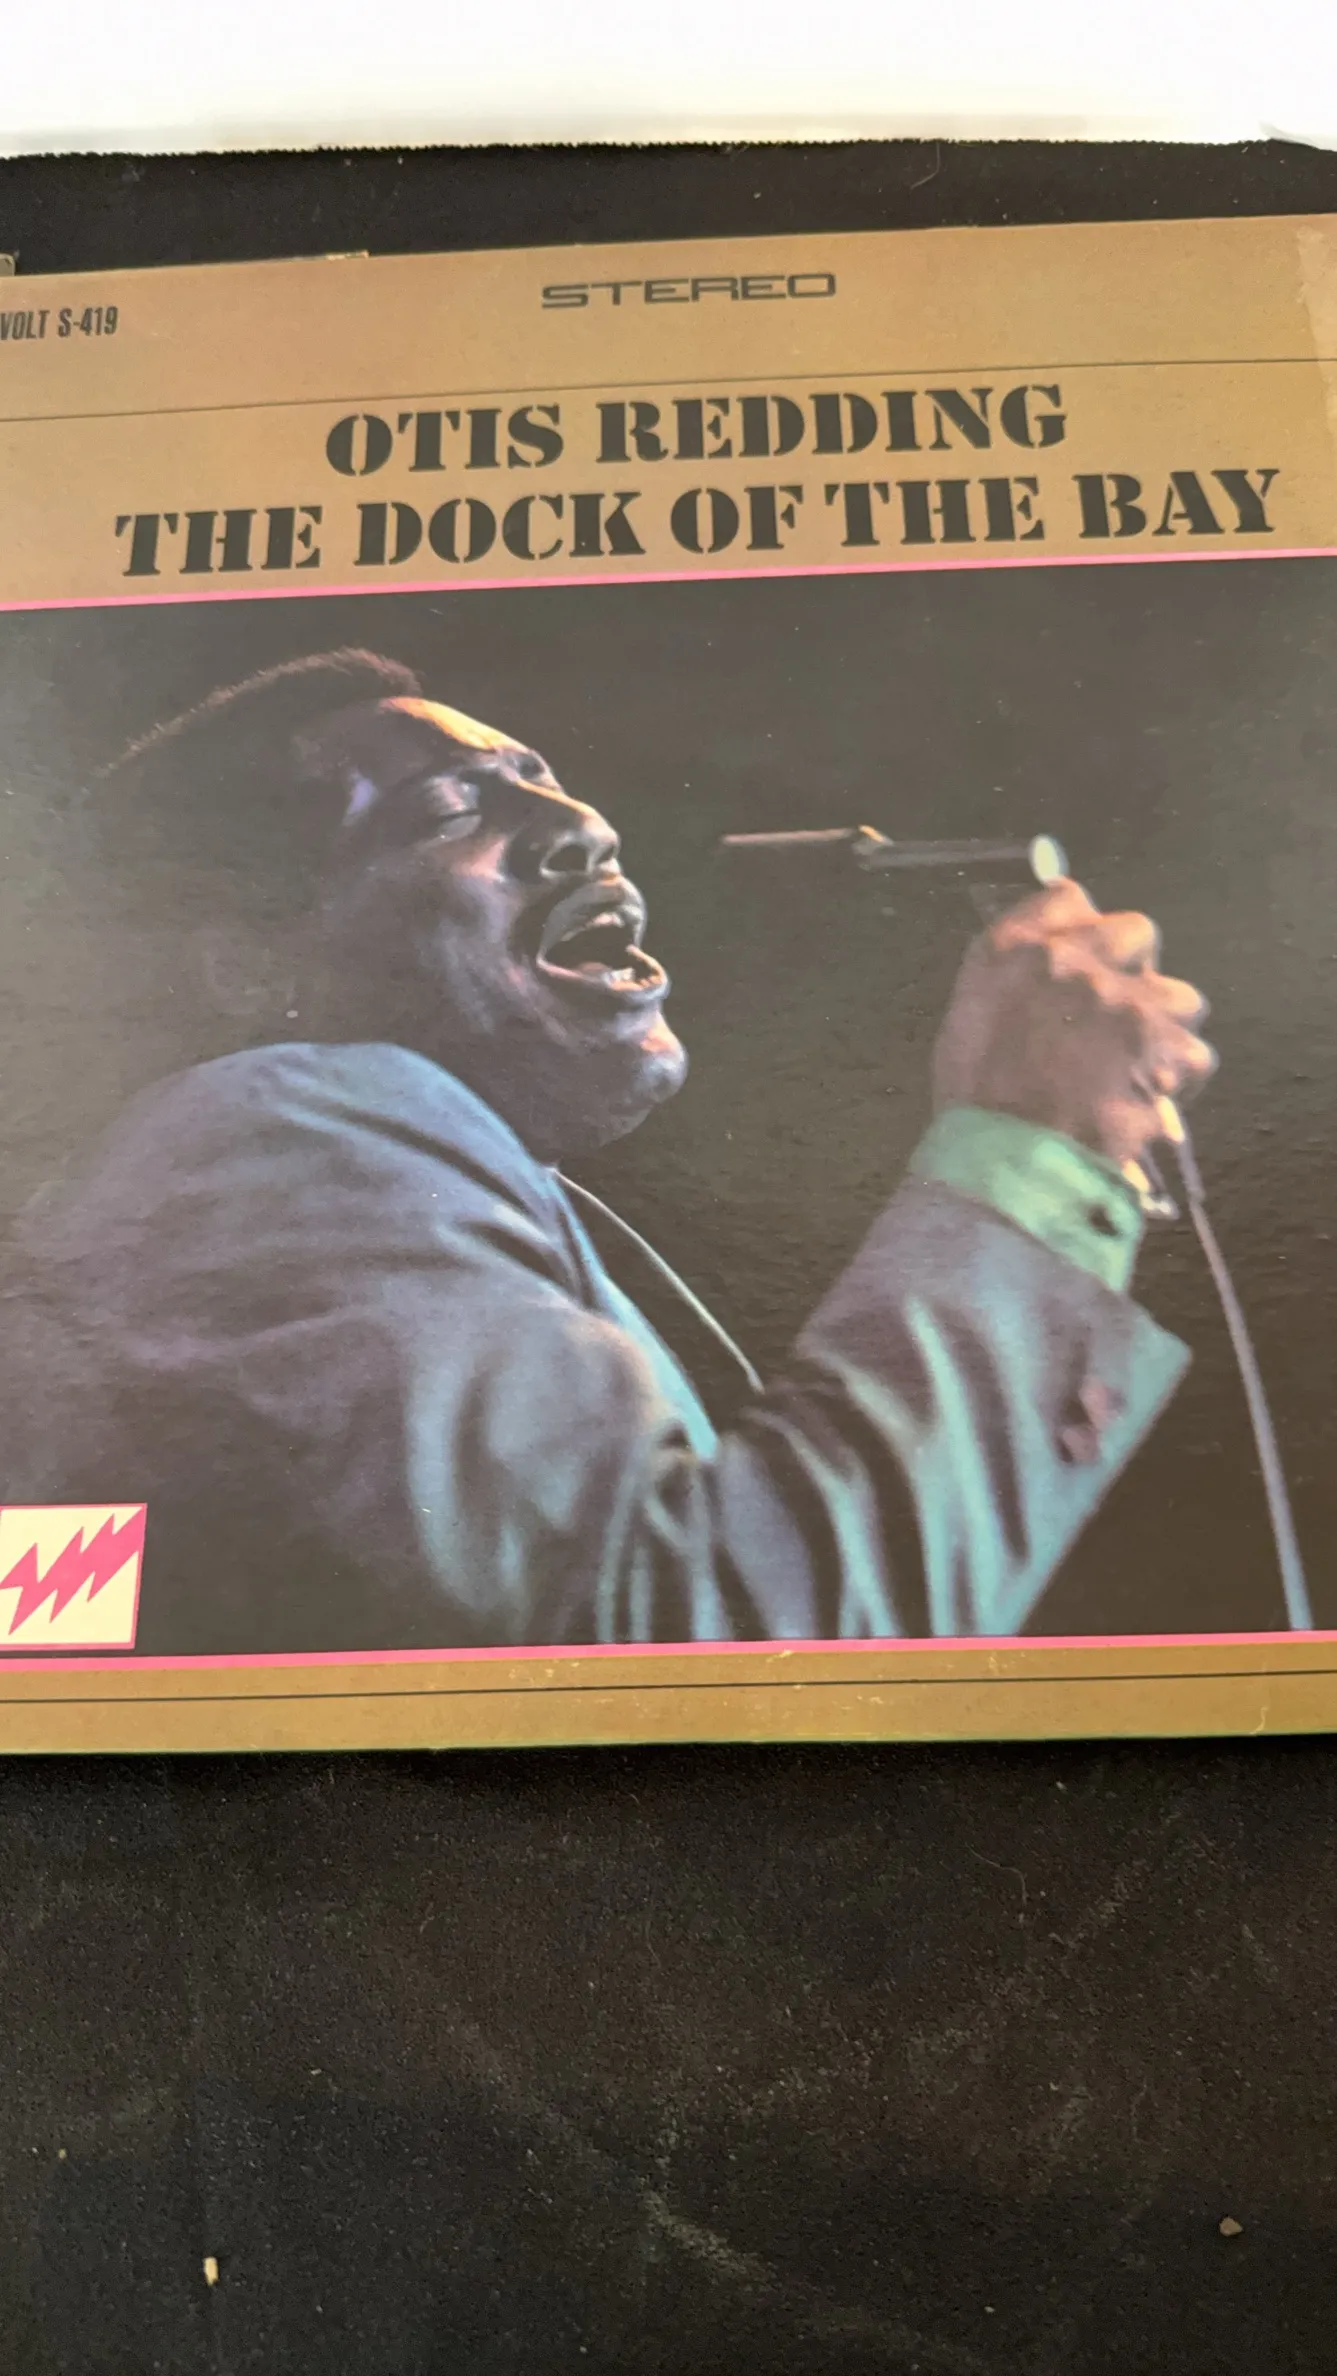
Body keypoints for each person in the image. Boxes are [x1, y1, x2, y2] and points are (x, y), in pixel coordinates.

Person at [0, 649, 1214, 1655]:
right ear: (247, 966)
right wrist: (1033, 1160)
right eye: (448, 812)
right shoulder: (275, 1131)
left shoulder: (345, 1200)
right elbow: (703, 1650)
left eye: (544, 782)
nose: (582, 829)